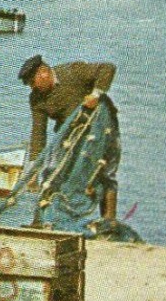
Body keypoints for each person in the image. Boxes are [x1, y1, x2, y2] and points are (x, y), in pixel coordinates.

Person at [18, 53, 119, 218]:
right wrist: (33, 169)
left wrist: (96, 94)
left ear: (44, 72)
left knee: (106, 173)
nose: (32, 87)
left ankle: (108, 221)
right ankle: (41, 221)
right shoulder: (36, 98)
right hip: (70, 134)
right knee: (52, 172)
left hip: (102, 129)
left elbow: (107, 68)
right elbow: (38, 134)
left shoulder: (74, 71)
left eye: (32, 82)